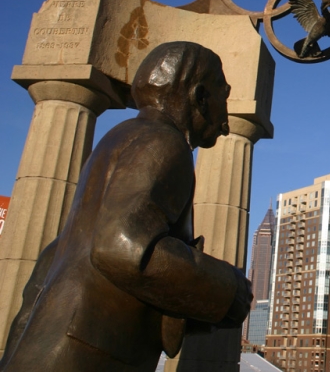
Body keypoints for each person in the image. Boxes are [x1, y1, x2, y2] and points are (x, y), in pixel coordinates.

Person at [0, 42, 252, 372]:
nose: (226, 116)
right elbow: (121, 248)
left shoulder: (119, 138)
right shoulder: (163, 142)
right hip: (92, 354)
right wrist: (228, 289)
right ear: (200, 96)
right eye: (224, 95)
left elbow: (53, 258)